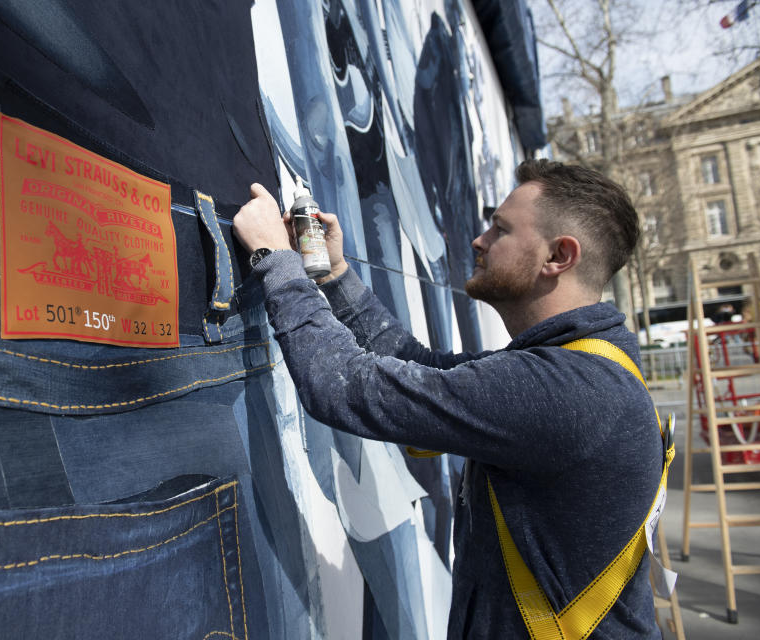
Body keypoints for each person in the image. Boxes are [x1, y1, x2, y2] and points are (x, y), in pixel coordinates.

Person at [232, 159, 665, 639]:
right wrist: (333, 275)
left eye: (500, 229)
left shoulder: (564, 389)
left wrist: (276, 259)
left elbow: (341, 386)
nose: (479, 240)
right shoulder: (583, 369)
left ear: (558, 256)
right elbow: (426, 368)